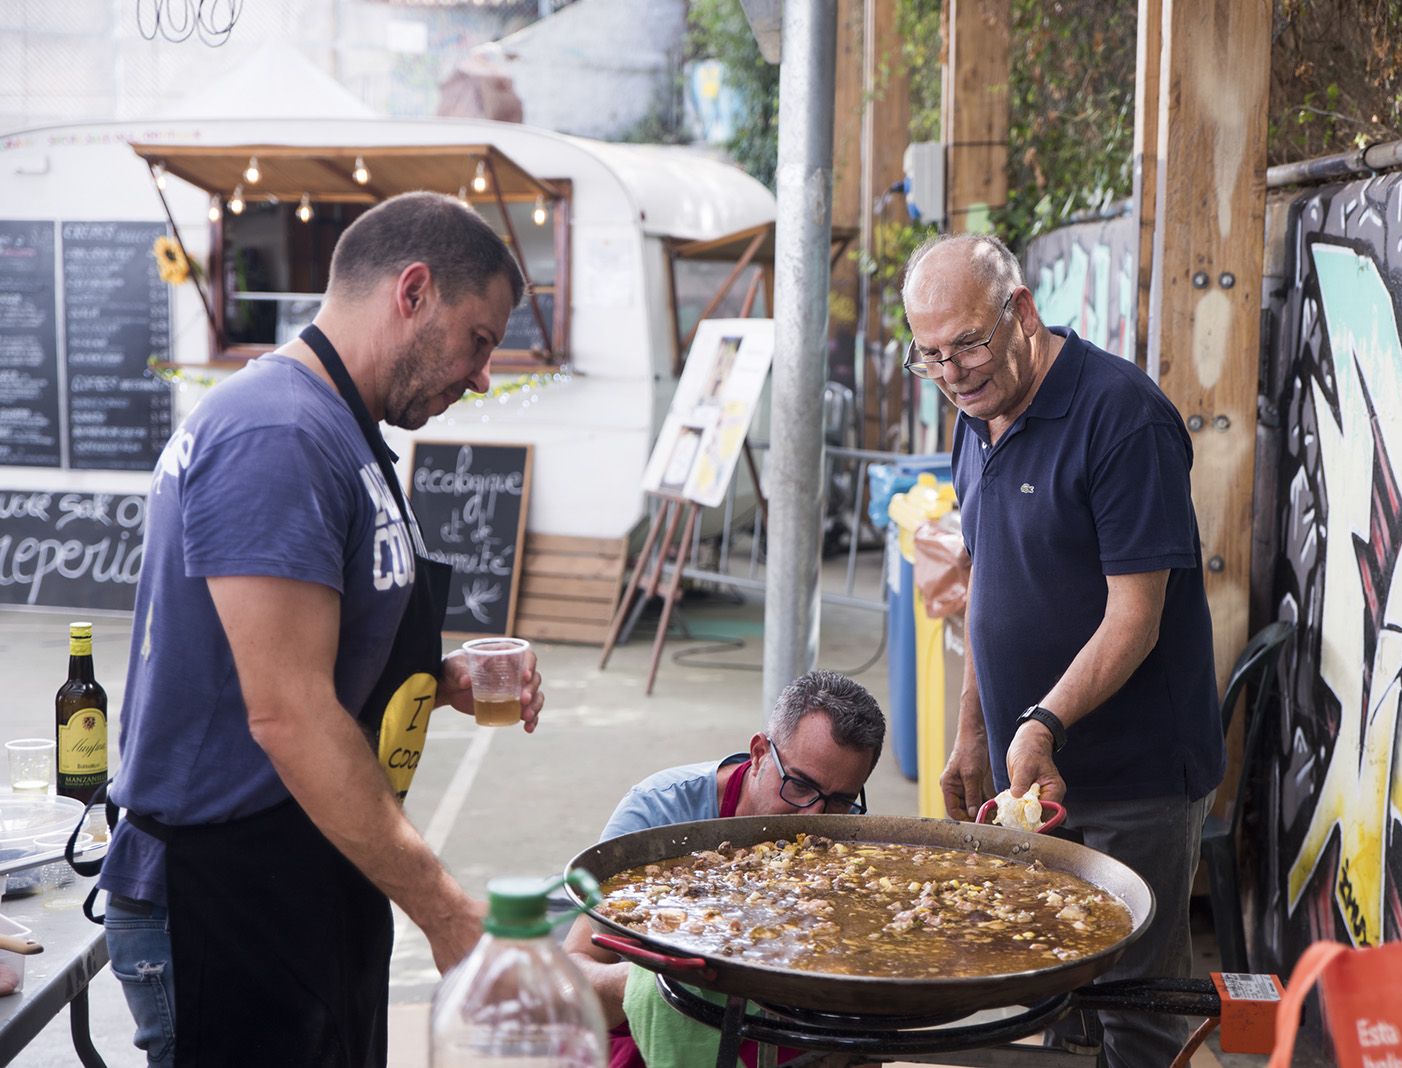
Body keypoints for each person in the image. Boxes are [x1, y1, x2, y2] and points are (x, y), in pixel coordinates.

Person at [96, 192, 545, 1067]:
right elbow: (288, 713)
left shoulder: (345, 428)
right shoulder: (277, 432)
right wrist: (451, 918)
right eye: (481, 340)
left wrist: (440, 678)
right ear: (413, 291)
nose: (484, 373)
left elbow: (310, 657)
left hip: (306, 874)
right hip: (221, 896)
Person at [902, 233, 1224, 1068]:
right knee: (1056, 987)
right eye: (930, 356)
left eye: (968, 344)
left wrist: (1042, 720)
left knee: (1135, 1003)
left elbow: (1135, 619)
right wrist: (975, 729)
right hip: (1030, 774)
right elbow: (988, 587)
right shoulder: (974, 419)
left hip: (1136, 777)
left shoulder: (1121, 416)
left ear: (1021, 312)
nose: (954, 372)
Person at [564, 670, 885, 1068]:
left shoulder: (850, 836)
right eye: (799, 786)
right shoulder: (660, 813)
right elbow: (572, 972)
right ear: (758, 754)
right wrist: (657, 988)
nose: (813, 815)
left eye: (838, 801)